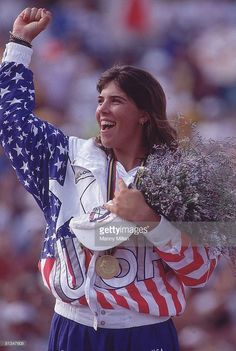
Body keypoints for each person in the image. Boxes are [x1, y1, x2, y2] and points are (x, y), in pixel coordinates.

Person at [0, 7, 218, 351]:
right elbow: (11, 120)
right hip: (72, 325)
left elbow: (200, 271)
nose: (101, 109)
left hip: (145, 332)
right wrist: (19, 44)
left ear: (144, 115)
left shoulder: (182, 176)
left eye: (116, 101)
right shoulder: (66, 158)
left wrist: (149, 221)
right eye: (100, 100)